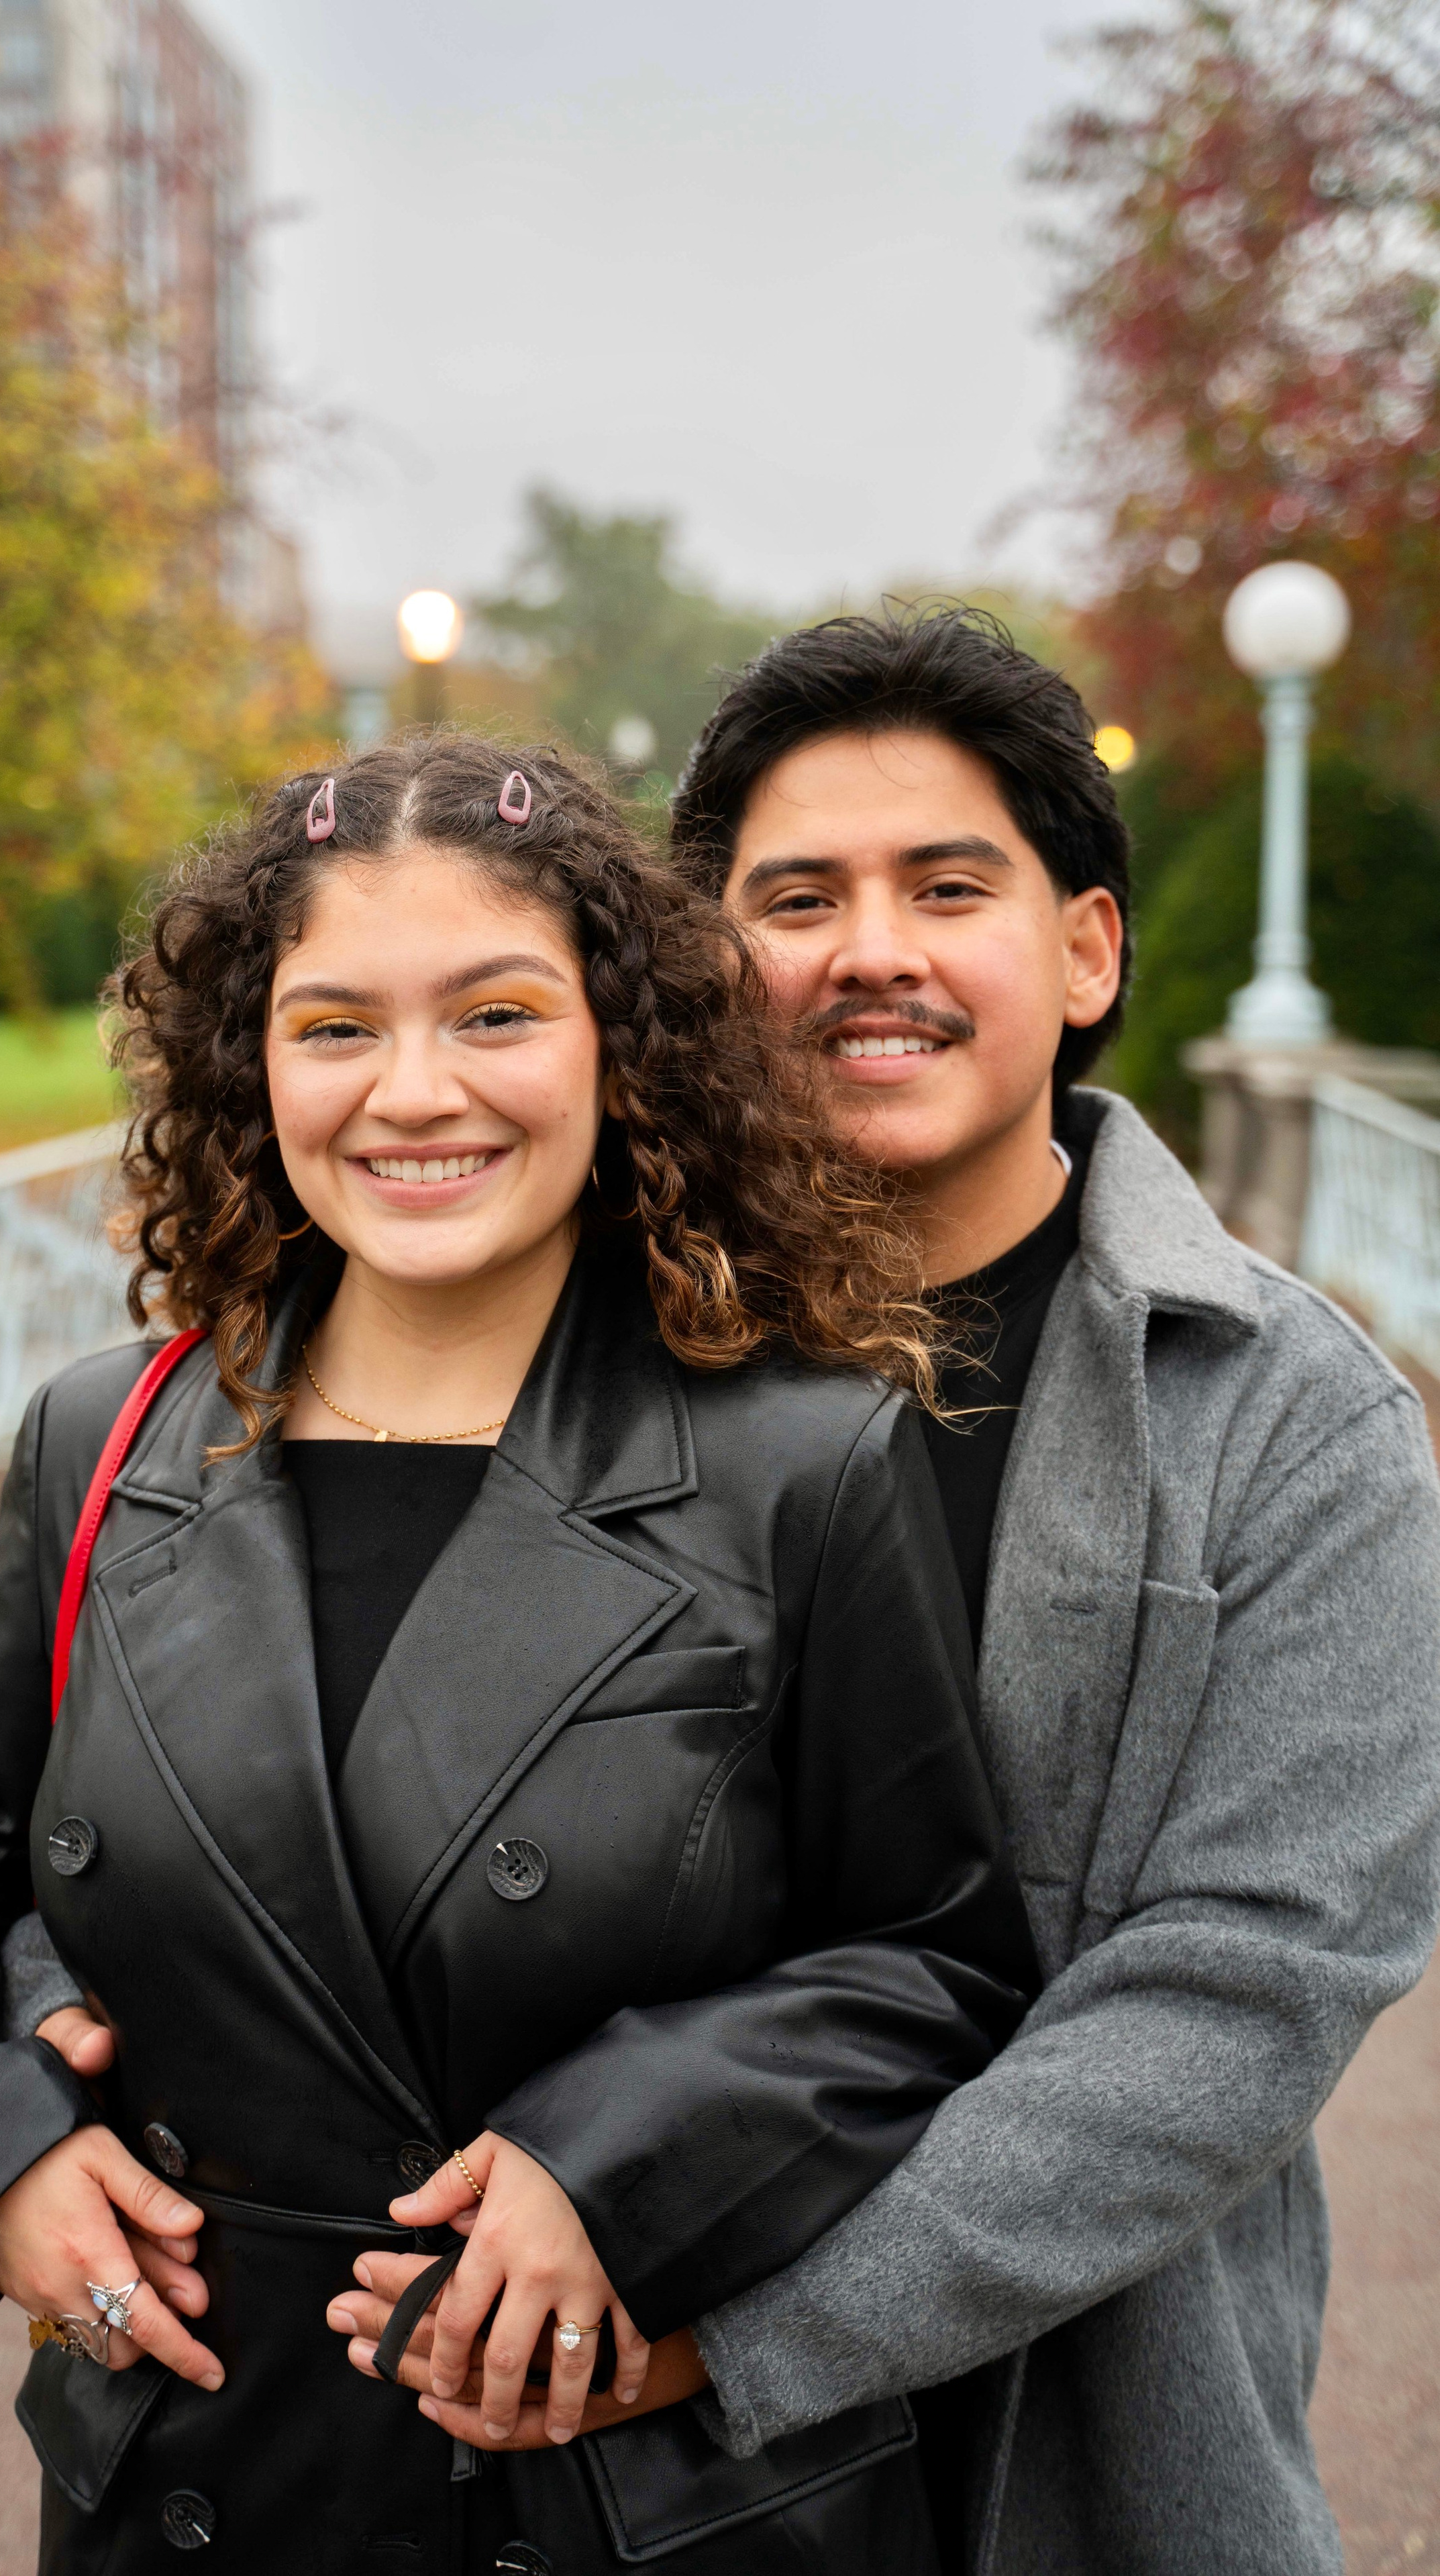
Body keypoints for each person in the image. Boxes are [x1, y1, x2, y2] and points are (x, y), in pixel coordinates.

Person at [0, 734, 1038, 2576]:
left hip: (619, 2489)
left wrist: (614, 2160)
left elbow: (937, 1961)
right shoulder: (105, 1439)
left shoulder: (807, 1459)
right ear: (254, 1061)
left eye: (494, 1014)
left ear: (617, 1046)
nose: (411, 1095)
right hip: (192, 2463)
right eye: (334, 1026)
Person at [652, 607, 1440, 2575]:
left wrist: (742, 2335)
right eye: (799, 898)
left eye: (947, 886)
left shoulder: (1294, 1420)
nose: (874, 953)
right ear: (706, 968)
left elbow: (1244, 1992)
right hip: (603, 2444)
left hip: (1083, 2452)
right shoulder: (570, 1352)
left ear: (1085, 950)